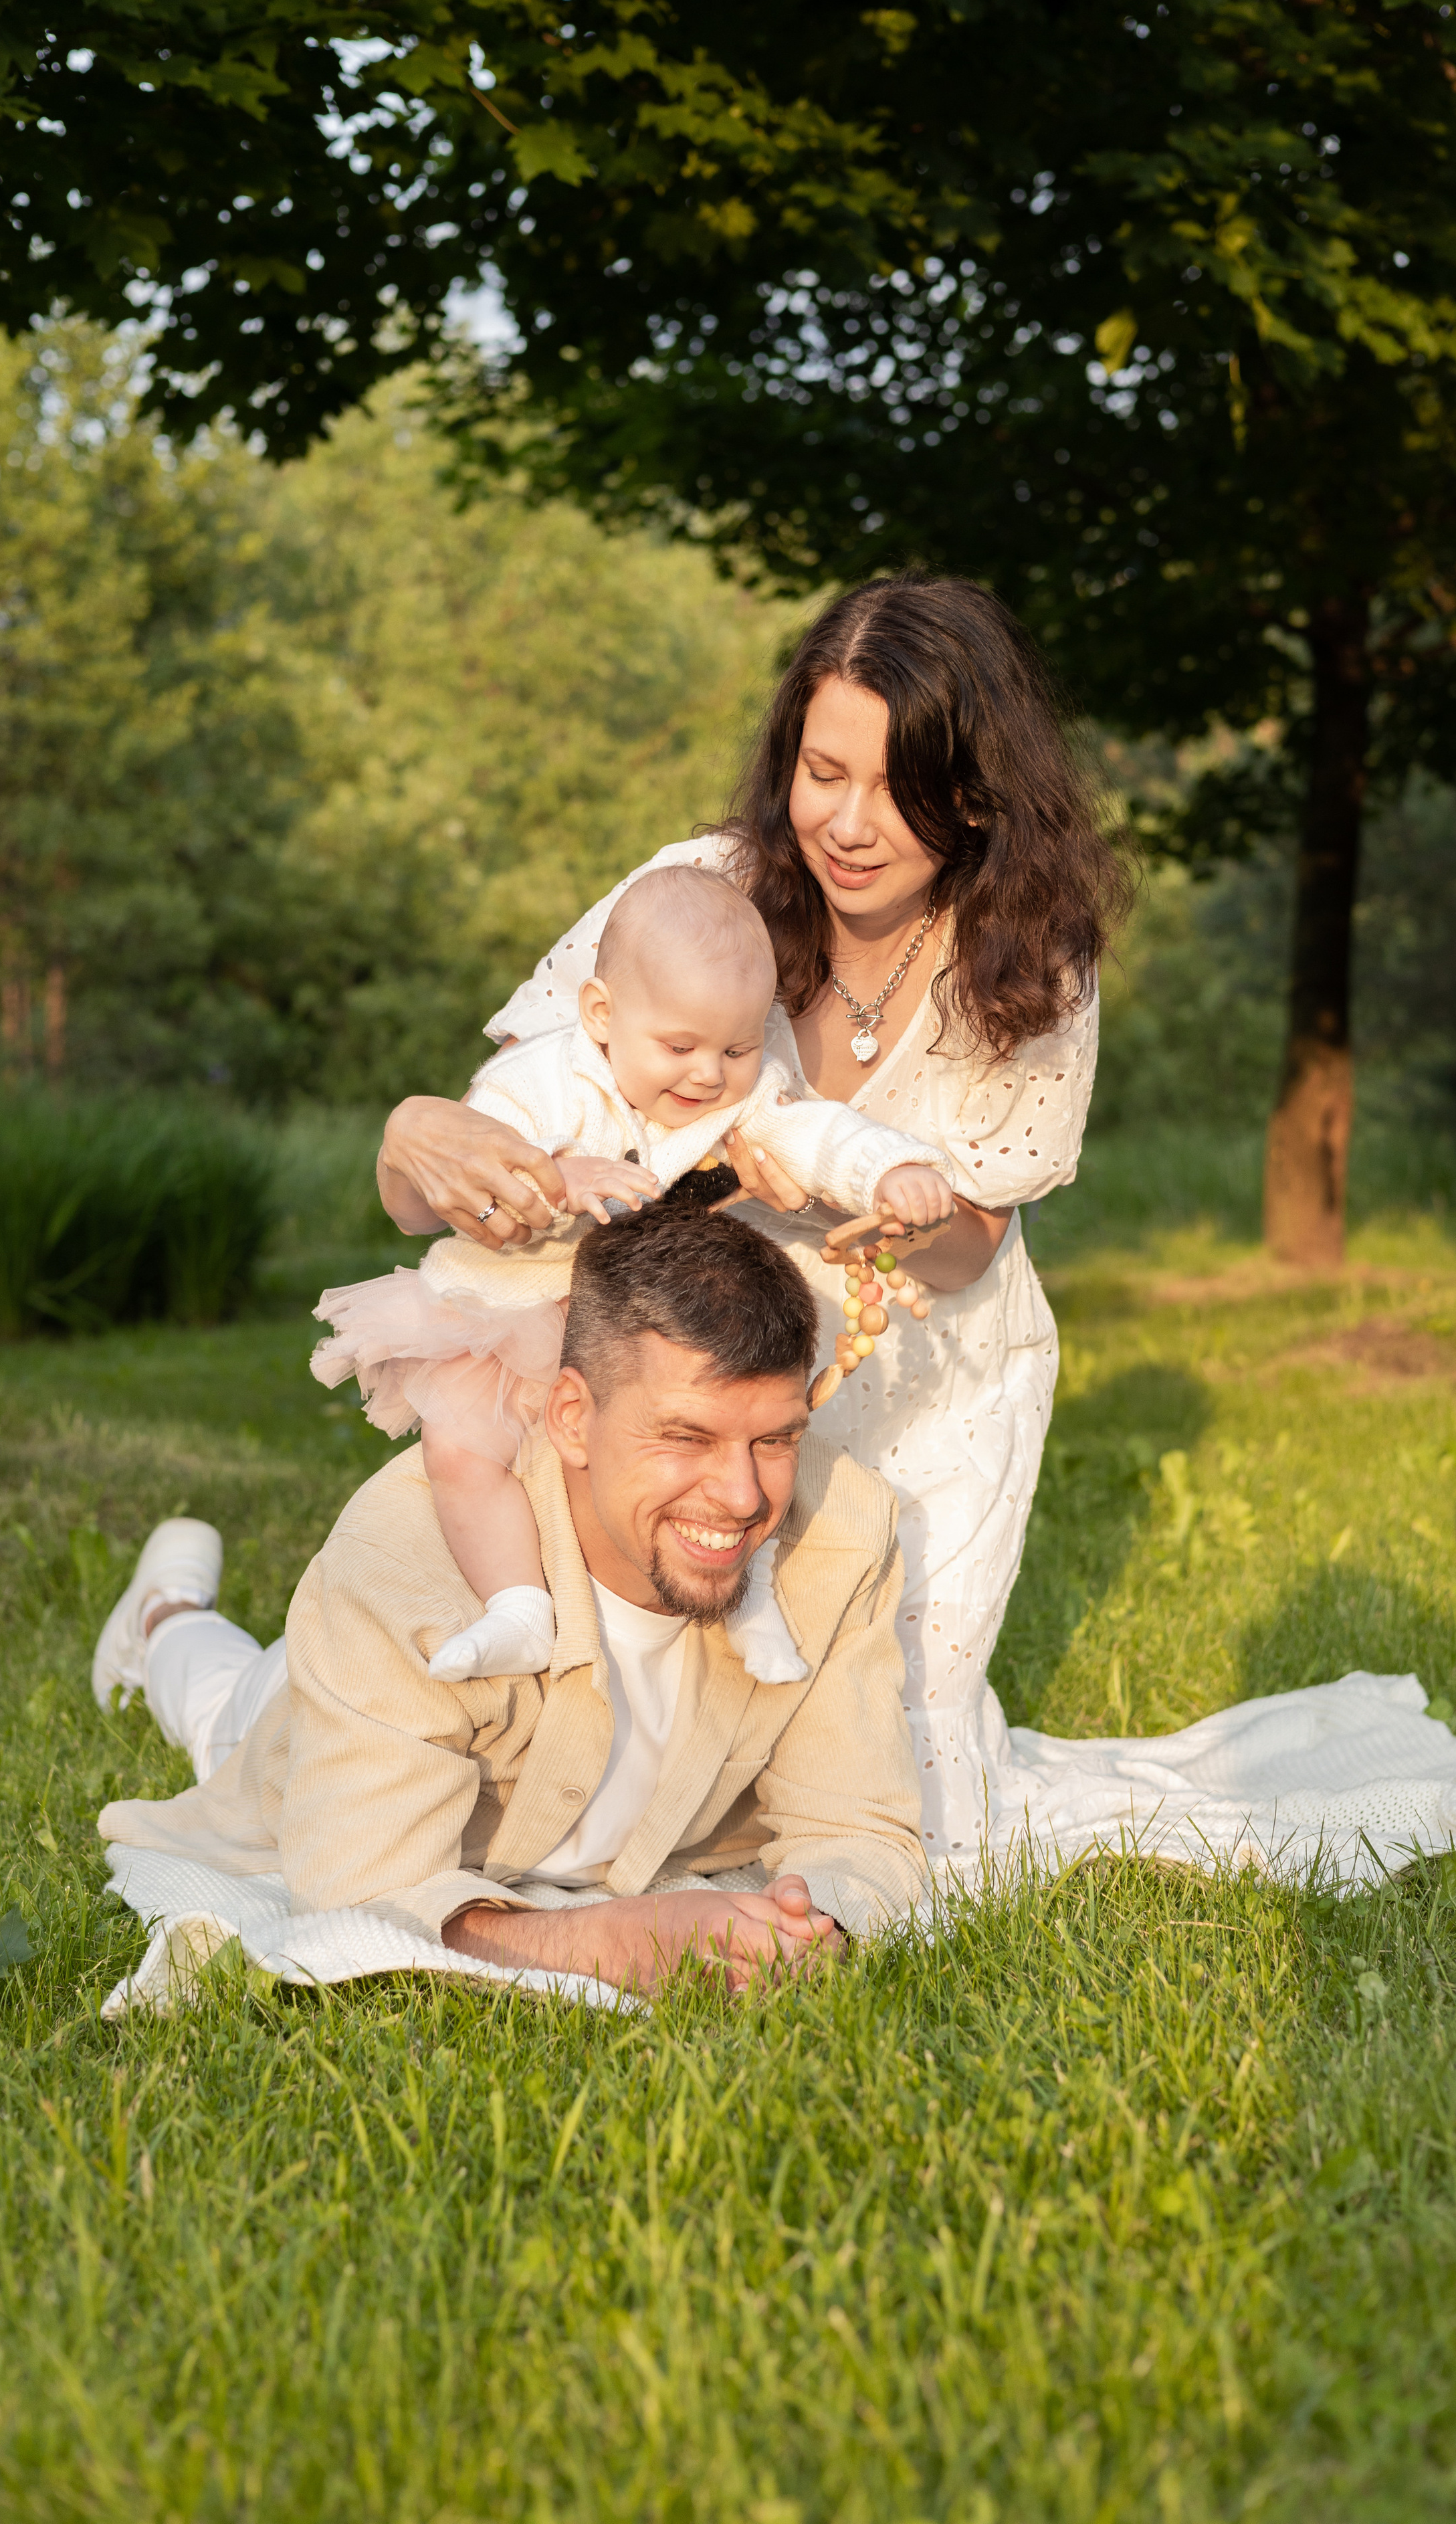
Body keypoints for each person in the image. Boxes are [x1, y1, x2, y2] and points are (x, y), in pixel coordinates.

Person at [374, 574, 1131, 1861]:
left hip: (916, 1366)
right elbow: (496, 1150)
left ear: (978, 793)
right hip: (691, 1361)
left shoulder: (1030, 955)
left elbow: (971, 1248)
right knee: (559, 1778)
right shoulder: (703, 893)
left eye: (897, 788)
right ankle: (179, 1634)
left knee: (887, 1808)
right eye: (821, 771)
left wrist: (877, 1201)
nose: (847, 822)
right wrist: (412, 1136)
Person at [94, 1208, 929, 1994]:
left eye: (775, 1439)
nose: (744, 1496)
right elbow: (367, 1896)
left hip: (399, 1692)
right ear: (571, 1416)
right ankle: (165, 1616)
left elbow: (857, 1830)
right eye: (686, 1437)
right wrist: (610, 1941)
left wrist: (808, 1929)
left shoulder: (842, 1532)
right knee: (227, 1711)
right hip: (319, 1711)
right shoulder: (404, 1563)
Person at [305, 864, 955, 1692]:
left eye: (737, 1047)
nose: (707, 1076)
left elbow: (813, 1134)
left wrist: (888, 1170)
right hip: (507, 1305)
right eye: (679, 1047)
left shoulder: (740, 1094)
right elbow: (487, 1154)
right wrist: (555, 1176)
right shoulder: (547, 1079)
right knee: (464, 1454)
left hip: (627, 1318)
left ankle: (748, 1602)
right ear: (602, 1016)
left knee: (701, 1461)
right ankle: (517, 1609)